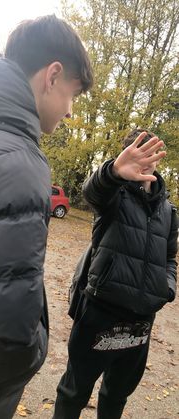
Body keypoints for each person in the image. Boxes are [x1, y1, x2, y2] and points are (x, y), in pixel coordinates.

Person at [0, 15, 93, 419]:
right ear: (53, 75)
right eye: (72, 95)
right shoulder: (14, 162)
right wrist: (37, 350)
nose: (68, 111)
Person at [53, 129, 178, 419]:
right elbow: (93, 191)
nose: (146, 160)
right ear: (126, 155)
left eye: (150, 153)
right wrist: (113, 173)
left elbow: (170, 258)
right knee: (74, 392)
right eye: (138, 152)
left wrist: (166, 287)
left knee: (116, 395)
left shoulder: (169, 212)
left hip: (142, 320)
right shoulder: (114, 195)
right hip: (99, 311)